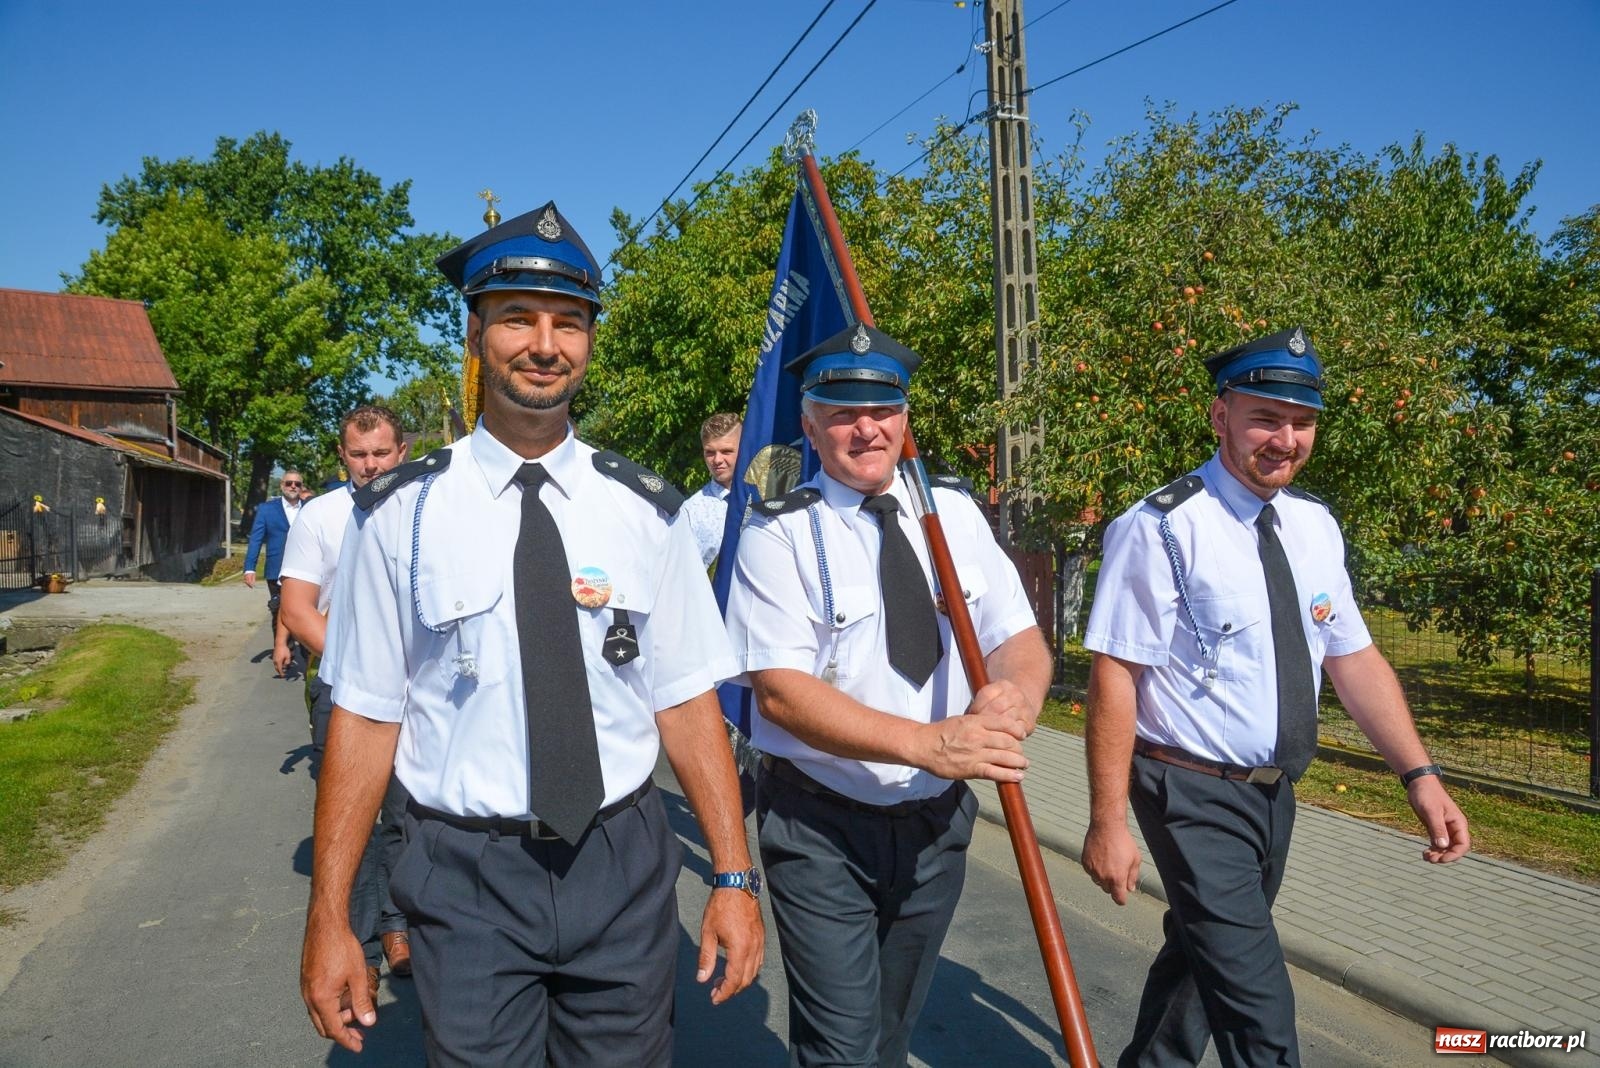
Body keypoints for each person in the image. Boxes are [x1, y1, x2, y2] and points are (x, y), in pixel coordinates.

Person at [300, 201, 763, 1065]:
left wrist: (734, 878)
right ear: (476, 334)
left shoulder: (645, 511)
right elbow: (363, 719)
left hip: (621, 867)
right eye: (517, 319)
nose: (545, 344)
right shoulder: (400, 516)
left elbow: (688, 699)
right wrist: (331, 919)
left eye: (569, 323)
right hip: (466, 878)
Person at [1079, 326, 1471, 1067]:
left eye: (1302, 422)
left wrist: (1421, 777)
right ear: (1220, 415)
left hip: (1273, 793)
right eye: (1265, 417)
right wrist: (1106, 822)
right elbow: (1115, 676)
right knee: (1260, 1011)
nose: (1284, 439)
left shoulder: (1314, 526)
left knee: (1198, 972)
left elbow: (1352, 658)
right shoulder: (1163, 527)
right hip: (1187, 788)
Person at [723, 323, 1050, 1068]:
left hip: (937, 825)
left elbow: (1019, 640)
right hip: (820, 825)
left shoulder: (954, 515)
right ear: (809, 422)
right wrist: (928, 743)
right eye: (841, 410)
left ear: (904, 418)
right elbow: (781, 694)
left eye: (882, 408)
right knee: (840, 1049)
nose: (865, 427)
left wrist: (1020, 699)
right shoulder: (779, 534)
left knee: (889, 1037)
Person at [278, 404, 413, 989]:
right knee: (351, 817)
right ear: (342, 457)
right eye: (358, 455)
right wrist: (360, 664)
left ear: (402, 452)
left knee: (407, 815)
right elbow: (297, 609)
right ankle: (355, 941)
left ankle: (398, 924)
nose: (369, 464)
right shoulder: (322, 516)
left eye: (381, 452)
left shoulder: (425, 511)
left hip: (415, 692)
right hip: (346, 686)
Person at [245, 469, 306, 673]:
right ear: (281, 485)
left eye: (297, 484)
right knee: (279, 611)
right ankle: (284, 653)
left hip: (304, 569)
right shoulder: (267, 509)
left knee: (305, 611)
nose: (293, 487)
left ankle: (307, 653)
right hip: (276, 568)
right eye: (289, 483)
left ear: (301, 487)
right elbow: (256, 539)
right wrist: (249, 568)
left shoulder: (310, 508)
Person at [682, 412, 742, 566]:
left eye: (726, 451)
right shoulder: (691, 512)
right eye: (710, 452)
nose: (717, 460)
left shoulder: (764, 496)